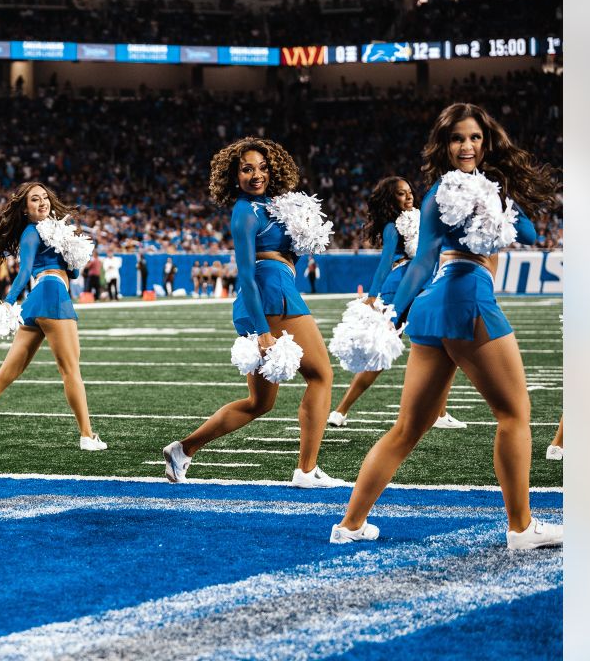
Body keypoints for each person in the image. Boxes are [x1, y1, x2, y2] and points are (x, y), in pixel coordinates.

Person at [332, 103, 563, 550]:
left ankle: (351, 524)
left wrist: (496, 193)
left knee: (407, 429)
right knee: (514, 415)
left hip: (433, 306)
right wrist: (390, 316)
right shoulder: (442, 192)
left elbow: (528, 233)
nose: (467, 145)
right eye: (458, 138)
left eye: (475, 137)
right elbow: (421, 260)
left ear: (486, 140)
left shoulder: (450, 190)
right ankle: (521, 528)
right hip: (467, 296)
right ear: (444, 143)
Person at [162, 137, 343, 488]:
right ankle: (306, 470)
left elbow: (292, 255)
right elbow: (245, 271)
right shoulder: (245, 210)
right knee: (321, 375)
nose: (256, 174)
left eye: (262, 167)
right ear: (234, 176)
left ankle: (183, 450)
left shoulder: (274, 206)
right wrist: (262, 330)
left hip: (270, 293)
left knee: (259, 403)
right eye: (246, 169)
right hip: (269, 293)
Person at [0, 182, 106, 451]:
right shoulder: (30, 231)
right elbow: (25, 271)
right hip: (52, 295)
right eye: (34, 200)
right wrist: (7, 303)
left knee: (6, 373)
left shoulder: (55, 230)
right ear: (25, 209)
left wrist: (71, 250)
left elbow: (72, 273)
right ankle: (87, 435)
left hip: (37, 301)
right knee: (70, 370)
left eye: (45, 197)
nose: (42, 202)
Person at [328, 177, 465, 430]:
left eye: (410, 191)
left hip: (423, 283)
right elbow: (385, 262)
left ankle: (438, 413)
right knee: (386, 351)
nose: (409, 196)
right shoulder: (393, 226)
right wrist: (372, 295)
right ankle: (341, 409)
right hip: (400, 285)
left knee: (439, 346)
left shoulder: (423, 218)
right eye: (402, 194)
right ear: (391, 200)